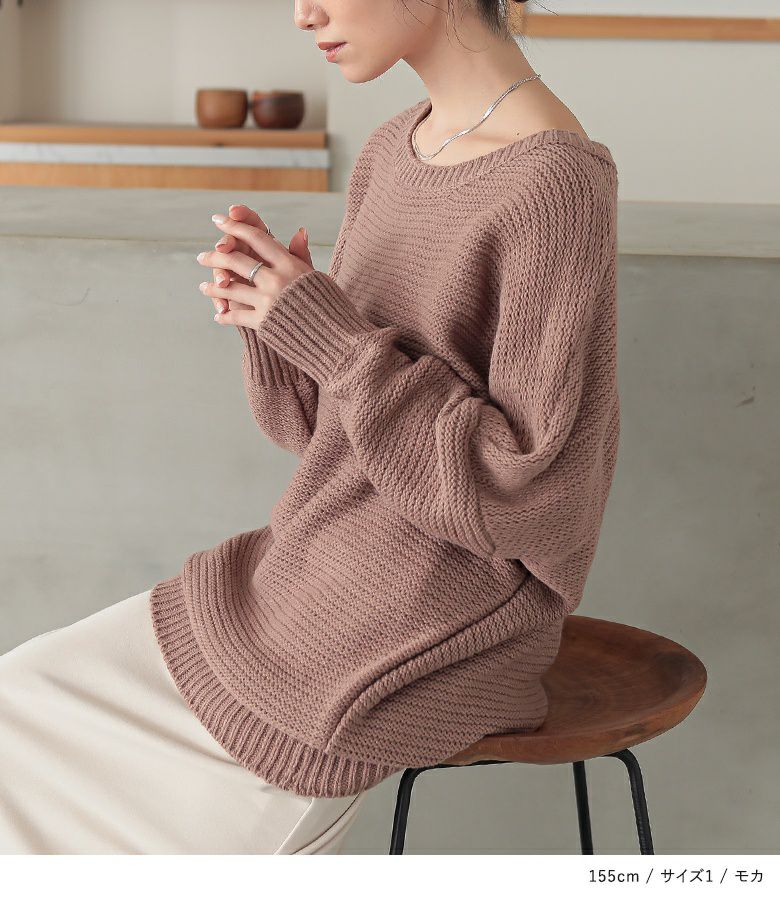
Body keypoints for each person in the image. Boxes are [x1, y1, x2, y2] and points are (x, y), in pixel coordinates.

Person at [0, 0, 620, 853]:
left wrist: (335, 342)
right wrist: (274, 320)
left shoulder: (555, 184)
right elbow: (321, 433)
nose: (303, 13)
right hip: (306, 565)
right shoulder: (392, 150)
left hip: (432, 613)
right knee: (19, 700)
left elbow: (531, 493)